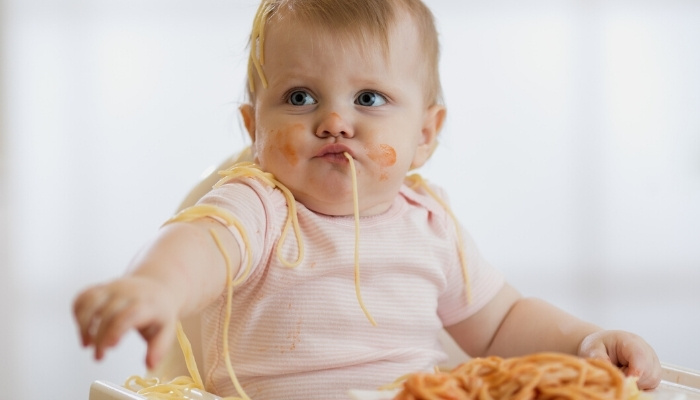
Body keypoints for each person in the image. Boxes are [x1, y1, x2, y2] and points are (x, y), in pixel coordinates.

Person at [73, 0, 662, 399]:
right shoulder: (262, 205)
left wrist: (584, 342)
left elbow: (503, 319)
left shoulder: (430, 226)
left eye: (370, 99)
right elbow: (200, 247)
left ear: (425, 134)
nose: (334, 121)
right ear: (253, 128)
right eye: (300, 97)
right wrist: (157, 287)